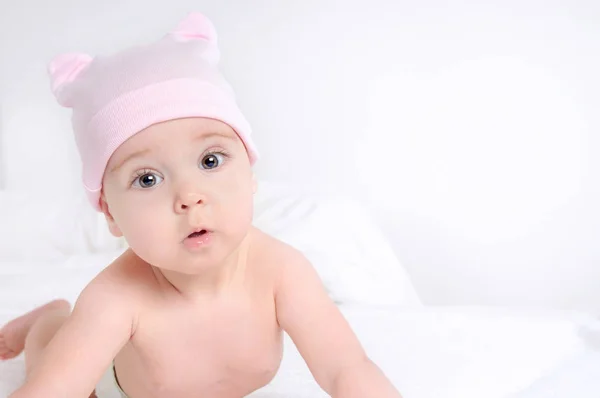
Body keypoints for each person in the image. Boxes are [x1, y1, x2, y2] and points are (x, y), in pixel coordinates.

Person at [0, 12, 402, 398]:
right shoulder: (114, 299)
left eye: (210, 160)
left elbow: (346, 369)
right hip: (115, 385)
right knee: (62, 369)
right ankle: (48, 320)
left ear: (250, 171)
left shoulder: (283, 273)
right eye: (147, 179)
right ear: (109, 212)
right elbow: (51, 392)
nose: (189, 196)